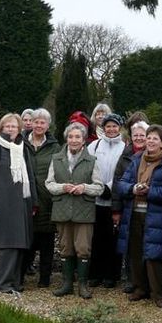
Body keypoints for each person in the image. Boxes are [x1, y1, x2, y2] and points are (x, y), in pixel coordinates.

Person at [117, 125, 162, 308]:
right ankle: (140, 288)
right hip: (134, 213)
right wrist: (132, 188)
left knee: (154, 255)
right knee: (135, 252)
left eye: (155, 139)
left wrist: (150, 191)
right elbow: (121, 184)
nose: (151, 141)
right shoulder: (136, 159)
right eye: (149, 138)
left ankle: (158, 293)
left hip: (156, 216)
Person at [45, 122, 104, 299]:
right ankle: (66, 284)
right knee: (65, 248)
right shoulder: (56, 158)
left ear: (84, 140)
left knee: (83, 248)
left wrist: (84, 188)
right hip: (62, 209)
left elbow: (99, 187)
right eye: (71, 136)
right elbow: (49, 184)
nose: (74, 140)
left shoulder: (91, 160)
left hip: (83, 211)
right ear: (66, 138)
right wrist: (63, 187)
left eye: (77, 137)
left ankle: (83, 285)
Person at [0, 113, 37, 294]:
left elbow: (30, 176)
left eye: (14, 126)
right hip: (3, 204)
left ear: (19, 129)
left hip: (23, 203)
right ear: (1, 129)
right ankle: (3, 283)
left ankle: (14, 282)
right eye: (7, 126)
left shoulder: (23, 149)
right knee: (8, 243)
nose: (11, 129)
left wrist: (34, 203)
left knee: (20, 243)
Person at [87, 113, 125, 288]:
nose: (111, 129)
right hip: (95, 199)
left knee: (113, 239)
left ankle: (111, 275)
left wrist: (110, 187)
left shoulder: (125, 147)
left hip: (114, 200)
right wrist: (98, 187)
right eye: (108, 126)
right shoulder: (94, 146)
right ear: (103, 128)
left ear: (119, 128)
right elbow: (88, 167)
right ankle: (95, 273)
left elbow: (124, 170)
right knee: (96, 238)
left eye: (114, 126)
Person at [112, 120, 149, 293]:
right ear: (131, 137)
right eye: (136, 135)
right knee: (130, 245)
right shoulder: (125, 155)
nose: (139, 138)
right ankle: (131, 279)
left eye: (143, 135)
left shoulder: (157, 154)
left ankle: (146, 281)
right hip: (128, 206)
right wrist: (116, 209)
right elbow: (117, 183)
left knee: (145, 245)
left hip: (149, 208)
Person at [25, 108, 61, 287]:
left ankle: (44, 278)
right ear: (30, 123)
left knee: (47, 239)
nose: (39, 125)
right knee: (27, 238)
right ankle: (21, 273)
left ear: (48, 125)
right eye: (36, 121)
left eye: (42, 122)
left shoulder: (55, 146)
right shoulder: (22, 143)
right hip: (26, 198)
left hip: (47, 199)